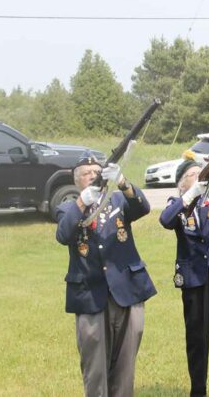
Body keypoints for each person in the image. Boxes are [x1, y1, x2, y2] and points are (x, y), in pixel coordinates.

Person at [55, 151, 157, 397]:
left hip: (126, 290)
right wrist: (82, 203)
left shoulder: (118, 199)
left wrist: (123, 182)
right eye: (85, 174)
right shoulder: (67, 207)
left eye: (95, 172)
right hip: (91, 294)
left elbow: (143, 207)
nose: (91, 176)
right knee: (95, 368)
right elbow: (63, 234)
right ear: (76, 180)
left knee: (125, 367)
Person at [159, 150, 209, 397]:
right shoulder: (176, 204)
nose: (198, 178)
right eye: (192, 175)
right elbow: (166, 220)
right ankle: (198, 391)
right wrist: (191, 194)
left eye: (200, 174)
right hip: (195, 278)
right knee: (197, 340)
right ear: (181, 183)